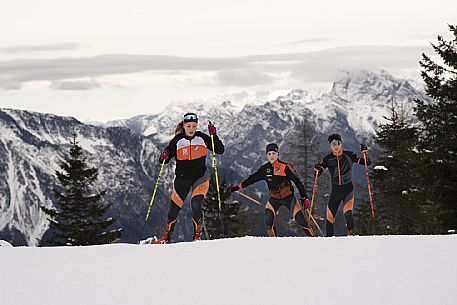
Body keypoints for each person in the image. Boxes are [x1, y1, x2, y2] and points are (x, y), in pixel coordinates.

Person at [153, 113, 224, 244]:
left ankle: (197, 235)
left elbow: (219, 150)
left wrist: (214, 135)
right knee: (173, 210)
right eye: (189, 126)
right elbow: (164, 159)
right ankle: (166, 237)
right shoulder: (177, 140)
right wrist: (164, 156)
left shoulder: (202, 138)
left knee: (195, 204)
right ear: (184, 126)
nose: (191, 129)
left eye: (194, 126)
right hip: (182, 179)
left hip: (200, 178)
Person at [229, 143, 313, 237]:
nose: (271, 156)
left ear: (278, 154)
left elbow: (298, 182)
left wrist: (304, 197)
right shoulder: (265, 169)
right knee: (268, 223)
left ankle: (315, 240)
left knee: (302, 222)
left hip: (289, 198)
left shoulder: (285, 167)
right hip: (274, 200)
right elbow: (251, 179)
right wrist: (237, 187)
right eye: (269, 154)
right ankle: (274, 245)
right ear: (266, 155)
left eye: (273, 153)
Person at [314, 133, 371, 237]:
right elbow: (317, 174)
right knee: (329, 218)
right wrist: (317, 169)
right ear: (330, 146)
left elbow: (367, 163)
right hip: (335, 191)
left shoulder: (349, 155)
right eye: (333, 144)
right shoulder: (328, 159)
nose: (336, 146)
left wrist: (365, 153)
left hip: (347, 190)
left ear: (341, 144)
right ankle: (329, 240)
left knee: (348, 212)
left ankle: (351, 236)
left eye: (338, 143)